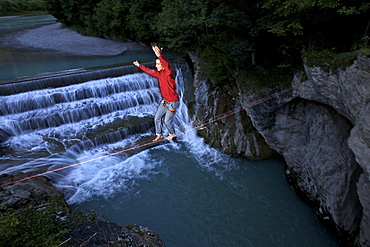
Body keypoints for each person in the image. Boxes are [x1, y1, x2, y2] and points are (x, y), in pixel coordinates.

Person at [133, 45, 179, 141]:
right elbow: (149, 71)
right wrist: (139, 66)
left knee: (167, 121)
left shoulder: (168, 75)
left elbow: (167, 66)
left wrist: (159, 55)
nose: (156, 65)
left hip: (173, 102)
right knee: (157, 118)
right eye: (156, 64)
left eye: (158, 64)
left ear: (162, 65)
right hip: (165, 101)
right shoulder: (159, 75)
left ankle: (173, 134)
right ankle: (159, 134)